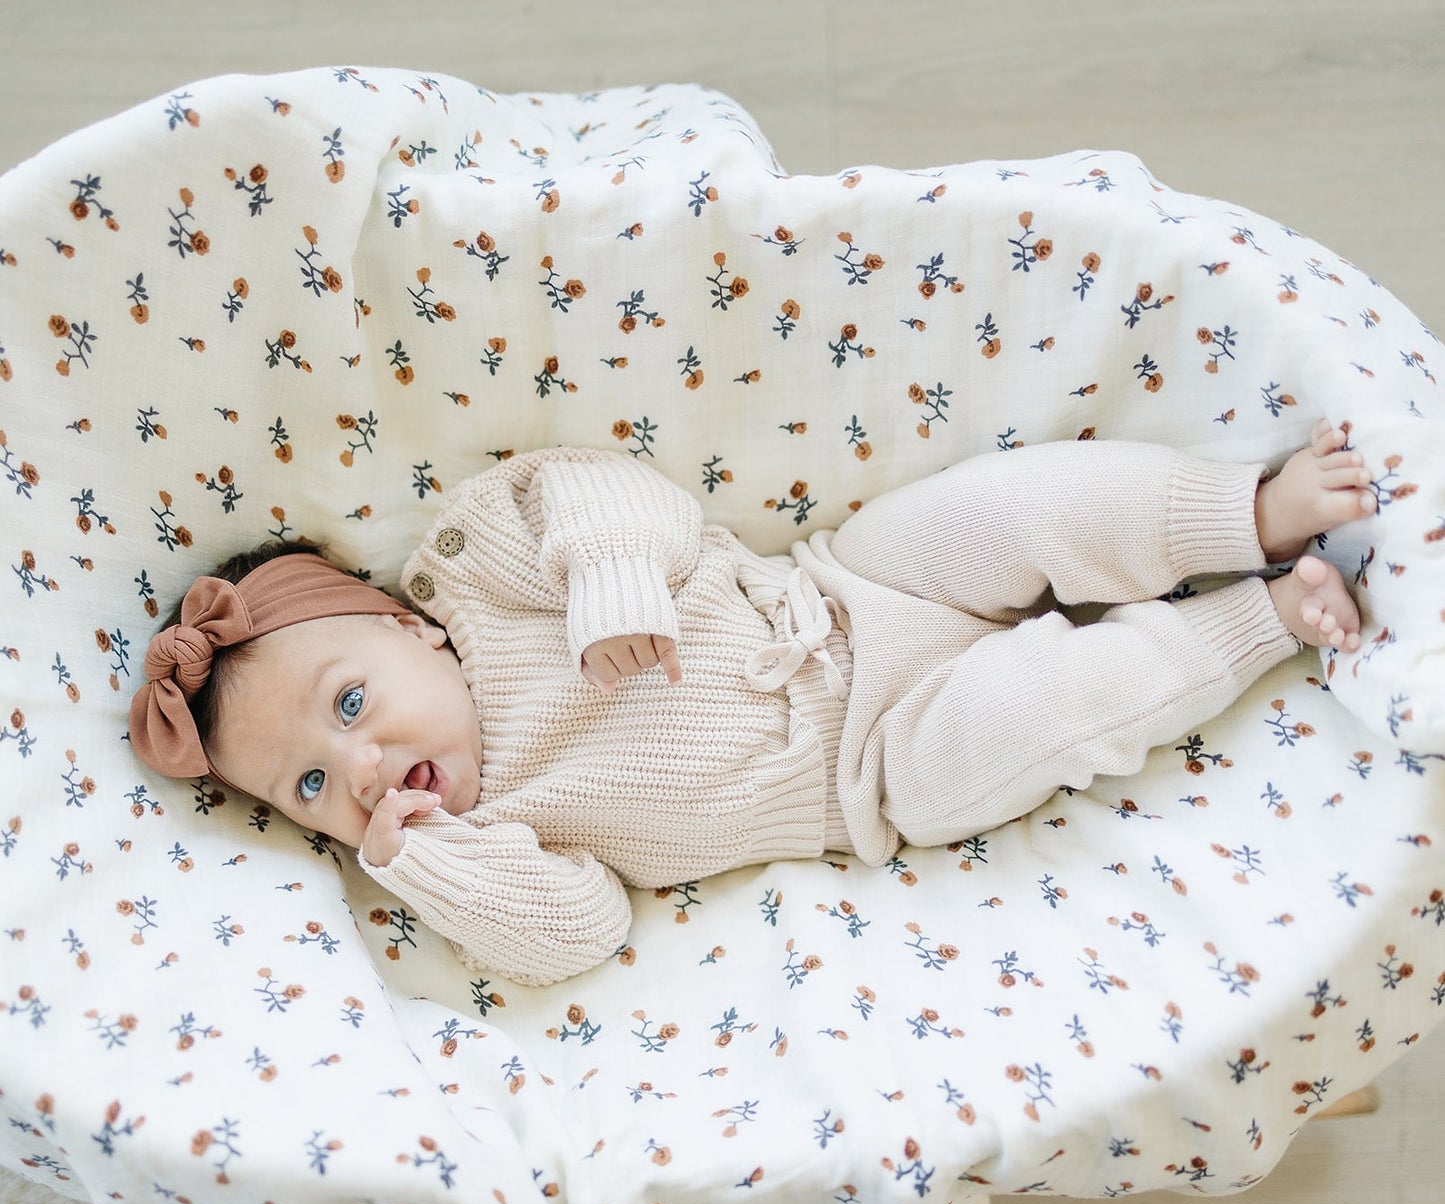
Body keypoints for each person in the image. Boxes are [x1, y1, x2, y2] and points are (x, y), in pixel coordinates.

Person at [129, 421, 1373, 985]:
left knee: (1013, 506)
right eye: (309, 785)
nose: (356, 771)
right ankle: (1255, 619)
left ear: (407, 626)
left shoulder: (477, 576)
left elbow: (597, 487)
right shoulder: (486, 838)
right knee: (1047, 707)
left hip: (843, 588)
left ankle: (1240, 512)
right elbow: (576, 932)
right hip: (871, 768)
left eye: (351, 700)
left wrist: (611, 576)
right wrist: (432, 864)